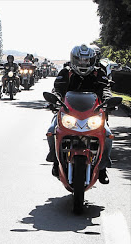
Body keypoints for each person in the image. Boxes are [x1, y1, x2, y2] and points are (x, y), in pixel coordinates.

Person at [46, 44, 113, 184]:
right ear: (74, 60)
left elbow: (106, 89)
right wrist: (55, 99)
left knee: (108, 135)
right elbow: (57, 89)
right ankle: (54, 159)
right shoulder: (65, 72)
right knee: (51, 131)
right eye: (80, 60)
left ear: (92, 60)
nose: (83, 63)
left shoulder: (99, 72)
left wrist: (108, 101)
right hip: (68, 112)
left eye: (86, 60)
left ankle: (102, 168)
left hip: (93, 113)